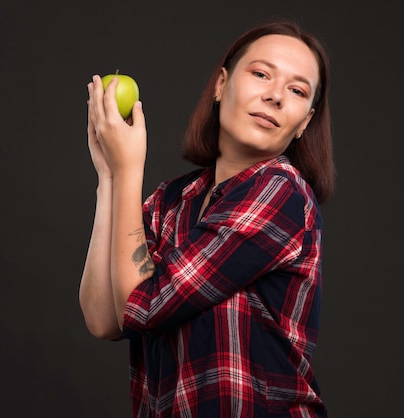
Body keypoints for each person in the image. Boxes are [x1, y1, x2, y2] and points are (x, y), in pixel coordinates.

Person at [80, 18, 335, 417]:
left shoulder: (279, 191)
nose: (275, 96)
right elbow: (104, 319)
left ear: (304, 121)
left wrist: (130, 170)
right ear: (220, 84)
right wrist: (110, 177)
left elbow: (142, 308)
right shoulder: (172, 200)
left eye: (297, 90)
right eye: (261, 74)